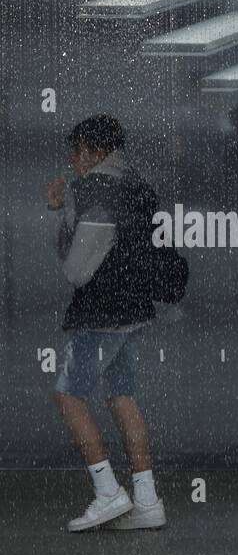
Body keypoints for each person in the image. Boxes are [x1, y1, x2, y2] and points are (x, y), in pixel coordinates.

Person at [47, 114, 165, 532]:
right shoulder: (136, 184)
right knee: (122, 396)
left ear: (95, 152)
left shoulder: (95, 190)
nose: (73, 160)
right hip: (131, 312)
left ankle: (108, 493)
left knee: (68, 396)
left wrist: (61, 213)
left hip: (101, 316)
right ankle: (147, 499)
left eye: (77, 151)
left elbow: (76, 269)